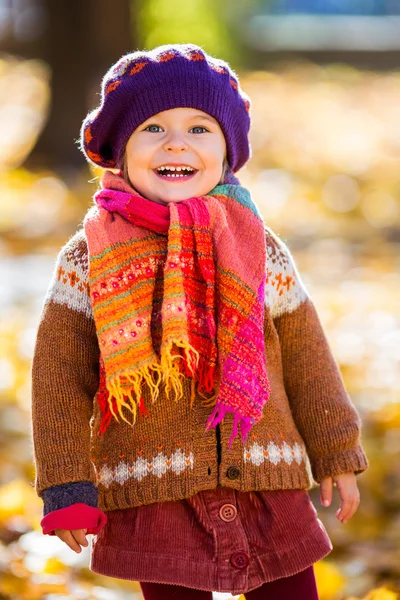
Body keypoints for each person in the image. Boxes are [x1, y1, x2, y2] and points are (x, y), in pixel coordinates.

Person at [31, 43, 369, 600]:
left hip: (266, 472)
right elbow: (60, 376)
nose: (176, 143)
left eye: (199, 129)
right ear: (119, 151)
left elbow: (308, 352)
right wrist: (66, 484)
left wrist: (335, 448)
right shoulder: (90, 255)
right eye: (153, 129)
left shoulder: (255, 244)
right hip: (152, 481)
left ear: (228, 152)